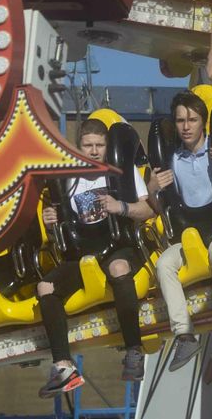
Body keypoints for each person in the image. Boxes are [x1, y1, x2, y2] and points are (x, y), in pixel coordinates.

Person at [36, 119, 155, 396]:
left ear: (107, 147)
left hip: (119, 245)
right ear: (79, 147)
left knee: (118, 267)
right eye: (87, 145)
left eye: (99, 145)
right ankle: (63, 366)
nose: (93, 151)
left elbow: (149, 210)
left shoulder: (122, 172)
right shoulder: (68, 178)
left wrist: (121, 206)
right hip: (84, 252)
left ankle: (133, 349)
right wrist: (51, 221)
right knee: (45, 287)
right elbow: (61, 229)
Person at [149, 91, 212, 369]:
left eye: (192, 120)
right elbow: (159, 208)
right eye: (180, 120)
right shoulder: (173, 159)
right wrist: (153, 188)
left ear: (203, 123)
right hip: (191, 232)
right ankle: (184, 335)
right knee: (164, 264)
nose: (186, 126)